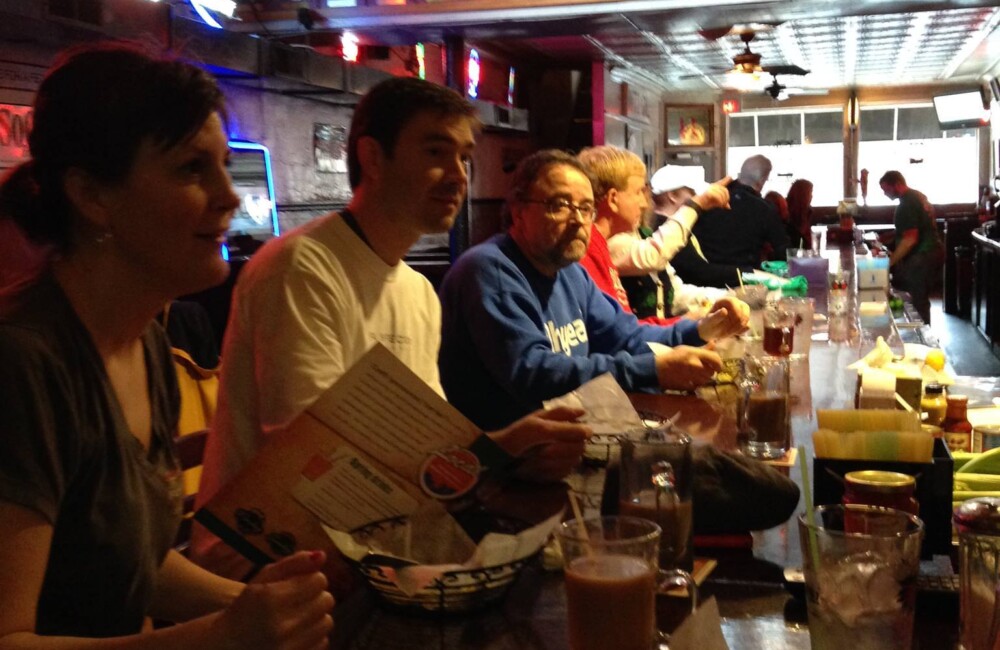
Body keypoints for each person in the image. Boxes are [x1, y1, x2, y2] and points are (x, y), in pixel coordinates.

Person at [0, 43, 334, 646]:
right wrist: (220, 638)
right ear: (92, 196)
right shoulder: (23, 364)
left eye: (224, 166)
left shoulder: (143, 337)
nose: (231, 197)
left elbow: (133, 565)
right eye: (190, 169)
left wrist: (263, 607)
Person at [195, 78, 590, 577]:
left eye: (464, 157)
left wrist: (503, 452)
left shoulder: (418, 291)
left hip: (374, 541)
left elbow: (427, 454)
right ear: (373, 158)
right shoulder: (302, 266)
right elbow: (310, 461)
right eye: (435, 152)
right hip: (264, 559)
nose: (458, 176)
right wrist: (487, 459)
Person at [437, 149, 749, 431]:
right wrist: (650, 369)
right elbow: (533, 373)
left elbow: (625, 335)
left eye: (586, 208)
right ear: (518, 211)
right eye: (559, 205)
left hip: (569, 438)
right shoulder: (489, 270)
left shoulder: (569, 271)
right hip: (504, 463)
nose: (577, 220)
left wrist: (703, 328)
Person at [577, 149, 730, 320]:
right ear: (613, 198)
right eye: (638, 193)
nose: (644, 203)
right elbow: (654, 255)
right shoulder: (603, 244)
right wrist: (696, 205)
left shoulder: (640, 234)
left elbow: (674, 293)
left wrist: (729, 297)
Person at [689, 154, 788, 270]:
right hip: (744, 279)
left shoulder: (708, 199)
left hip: (702, 275)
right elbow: (782, 248)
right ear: (762, 180)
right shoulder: (764, 209)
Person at [655, 167, 743, 290]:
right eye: (693, 194)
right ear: (673, 196)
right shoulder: (662, 227)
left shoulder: (677, 222)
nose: (699, 200)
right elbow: (699, 273)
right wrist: (748, 275)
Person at [879, 170, 938, 323]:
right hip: (933, 251)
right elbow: (913, 228)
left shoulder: (906, 204)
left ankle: (922, 339)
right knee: (921, 298)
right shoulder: (918, 196)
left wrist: (889, 263)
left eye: (886, 189)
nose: (885, 194)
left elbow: (910, 239)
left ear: (897, 184)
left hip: (921, 256)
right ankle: (924, 331)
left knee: (917, 300)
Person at [785, 179, 814, 250]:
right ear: (803, 195)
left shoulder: (807, 211)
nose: (812, 196)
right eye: (810, 193)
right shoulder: (786, 212)